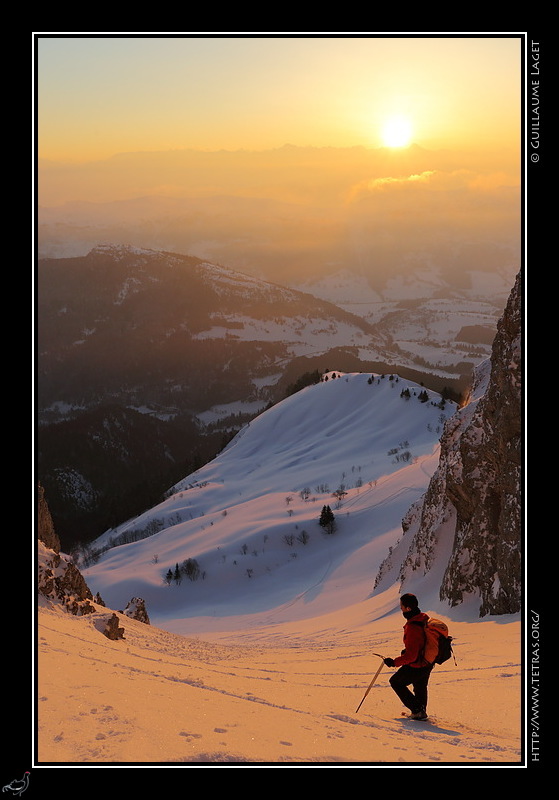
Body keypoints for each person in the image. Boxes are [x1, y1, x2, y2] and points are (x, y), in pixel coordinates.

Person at [383, 593, 433, 720]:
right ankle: (420, 712)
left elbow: (411, 656)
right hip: (428, 661)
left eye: (402, 606)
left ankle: (417, 710)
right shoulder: (423, 619)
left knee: (395, 682)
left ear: (408, 608)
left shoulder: (413, 626)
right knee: (420, 685)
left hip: (418, 663)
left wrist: (394, 662)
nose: (400, 609)